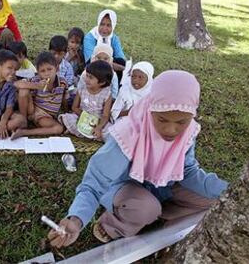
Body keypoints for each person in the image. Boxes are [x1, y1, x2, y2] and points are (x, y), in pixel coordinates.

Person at [48, 70, 228, 247]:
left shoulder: (189, 131)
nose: (171, 130)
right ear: (151, 109)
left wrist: (228, 190)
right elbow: (95, 181)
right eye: (162, 120)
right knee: (145, 208)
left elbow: (187, 170)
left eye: (181, 122)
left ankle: (161, 214)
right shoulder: (129, 132)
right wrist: (77, 219)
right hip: (123, 188)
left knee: (215, 199)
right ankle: (112, 225)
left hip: (164, 186)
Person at [11, 52, 68, 139]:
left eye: (49, 69)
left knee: (59, 128)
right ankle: (24, 121)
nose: (47, 73)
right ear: (38, 72)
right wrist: (37, 86)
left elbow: (64, 97)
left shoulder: (63, 82)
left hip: (46, 116)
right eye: (42, 71)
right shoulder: (36, 80)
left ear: (57, 68)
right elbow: (16, 84)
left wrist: (66, 111)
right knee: (23, 91)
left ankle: (25, 132)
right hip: (34, 111)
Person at [59, 60, 113, 142]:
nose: (87, 79)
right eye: (87, 76)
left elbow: (105, 115)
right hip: (81, 117)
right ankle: (91, 135)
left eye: (91, 77)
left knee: (110, 130)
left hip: (98, 121)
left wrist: (99, 127)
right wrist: (85, 117)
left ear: (102, 82)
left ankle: (85, 132)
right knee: (68, 117)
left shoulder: (107, 94)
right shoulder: (82, 89)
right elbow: (74, 107)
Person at [83, 9, 126, 80]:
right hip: (93, 65)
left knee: (121, 62)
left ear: (113, 26)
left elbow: (121, 57)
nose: (104, 28)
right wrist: (121, 68)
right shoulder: (90, 37)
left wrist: (122, 66)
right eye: (102, 24)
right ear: (98, 23)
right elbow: (91, 60)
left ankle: (115, 85)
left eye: (108, 25)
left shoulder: (114, 38)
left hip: (108, 63)